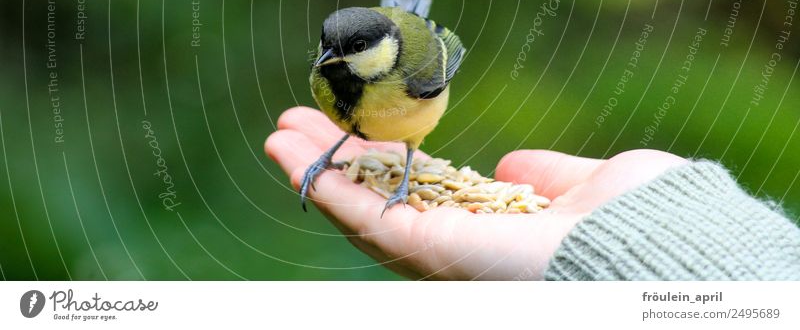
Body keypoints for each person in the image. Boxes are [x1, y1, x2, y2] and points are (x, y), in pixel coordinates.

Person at [265, 106, 800, 280]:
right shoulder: (329, 73)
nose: (333, 59)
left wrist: (406, 180)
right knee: (341, 125)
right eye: (326, 54)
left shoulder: (411, 67)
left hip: (406, 128)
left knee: (399, 135)